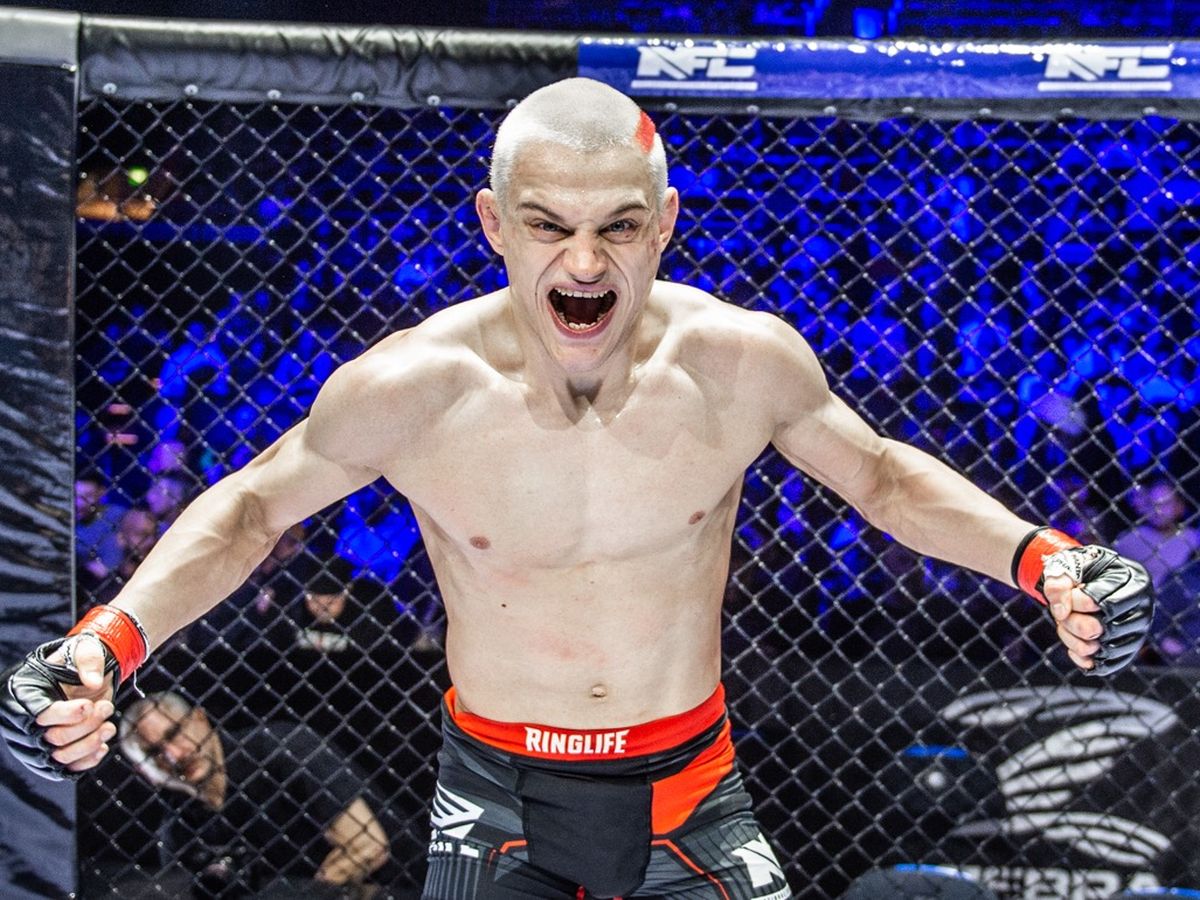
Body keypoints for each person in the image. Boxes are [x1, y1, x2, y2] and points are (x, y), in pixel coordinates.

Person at [1, 78, 1153, 899]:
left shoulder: (740, 362)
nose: (586, 263)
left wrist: (1044, 558)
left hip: (693, 783)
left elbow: (885, 478)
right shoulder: (414, 387)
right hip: (495, 797)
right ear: (494, 224)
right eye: (549, 226)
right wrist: (110, 640)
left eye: (618, 227)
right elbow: (252, 508)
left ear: (665, 226)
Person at [118, 691, 390, 894]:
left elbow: (368, 846)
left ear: (200, 718)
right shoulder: (177, 832)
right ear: (145, 773)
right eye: (154, 753)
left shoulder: (281, 748)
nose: (175, 755)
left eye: (175, 732)